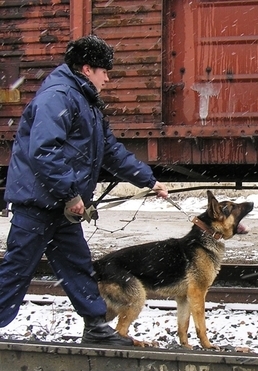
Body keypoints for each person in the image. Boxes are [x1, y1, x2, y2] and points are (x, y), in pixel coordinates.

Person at [0, 35, 169, 346]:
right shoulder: (59, 97)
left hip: (59, 205)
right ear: (87, 68)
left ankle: (96, 328)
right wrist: (71, 194)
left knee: (78, 266)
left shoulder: (85, 101)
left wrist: (148, 179)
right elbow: (44, 151)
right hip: (39, 203)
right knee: (17, 269)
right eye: (105, 71)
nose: (108, 77)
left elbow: (109, 150)